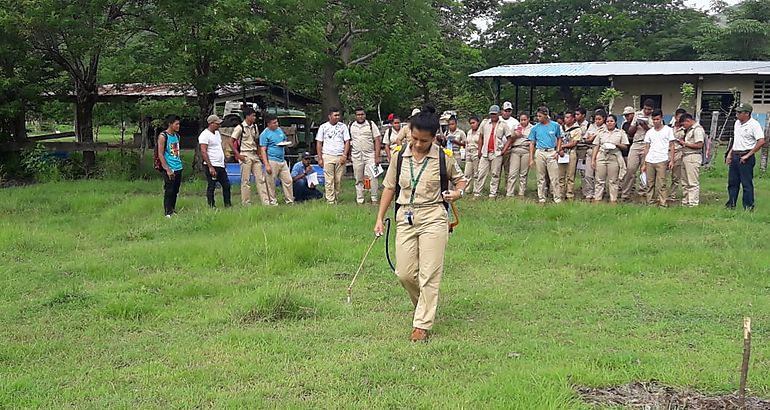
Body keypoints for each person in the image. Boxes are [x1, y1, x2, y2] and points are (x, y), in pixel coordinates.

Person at [374, 107, 467, 343]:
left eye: (423, 141)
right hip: (405, 216)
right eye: (414, 138)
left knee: (429, 273)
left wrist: (457, 194)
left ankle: (422, 325)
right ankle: (423, 306)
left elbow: (461, 180)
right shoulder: (399, 155)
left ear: (434, 137)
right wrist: (379, 218)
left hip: (434, 216)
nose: (417, 144)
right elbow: (389, 187)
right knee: (404, 273)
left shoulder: (443, 156)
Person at [726, 102, 766, 210]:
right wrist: (729, 154)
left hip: (746, 156)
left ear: (747, 113)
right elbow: (736, 140)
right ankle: (731, 204)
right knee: (732, 182)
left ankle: (748, 206)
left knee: (746, 183)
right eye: (737, 112)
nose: (737, 114)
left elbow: (761, 141)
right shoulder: (737, 124)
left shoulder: (754, 125)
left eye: (740, 112)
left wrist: (748, 155)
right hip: (735, 154)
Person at [230, 107, 269, 206]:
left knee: (261, 179)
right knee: (245, 181)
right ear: (247, 116)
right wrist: (238, 155)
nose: (254, 118)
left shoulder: (255, 127)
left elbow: (256, 141)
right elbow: (231, 142)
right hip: (245, 154)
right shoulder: (240, 128)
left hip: (254, 154)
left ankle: (265, 202)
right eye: (253, 116)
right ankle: (246, 203)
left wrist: (260, 153)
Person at [622, 99, 655, 201]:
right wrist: (636, 124)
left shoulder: (655, 117)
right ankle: (626, 193)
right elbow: (630, 132)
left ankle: (643, 193)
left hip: (648, 145)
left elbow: (656, 132)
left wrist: (646, 127)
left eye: (649, 109)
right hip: (636, 143)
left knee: (644, 170)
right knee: (630, 169)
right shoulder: (637, 114)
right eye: (645, 108)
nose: (646, 111)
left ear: (652, 110)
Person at [316, 107, 351, 204]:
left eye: (338, 115)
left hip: (340, 155)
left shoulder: (343, 127)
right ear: (329, 116)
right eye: (335, 115)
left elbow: (347, 141)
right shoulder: (323, 127)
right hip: (327, 155)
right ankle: (330, 200)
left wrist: (345, 155)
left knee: (338, 180)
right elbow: (319, 143)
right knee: (329, 180)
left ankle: (336, 197)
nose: (337, 117)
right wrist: (320, 158)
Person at [474, 105, 510, 198]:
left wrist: (504, 150)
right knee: (481, 172)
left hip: (496, 152)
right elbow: (481, 137)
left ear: (499, 113)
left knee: (495, 174)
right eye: (491, 114)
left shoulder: (503, 124)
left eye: (494, 114)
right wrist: (479, 150)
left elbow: (509, 138)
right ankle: (477, 193)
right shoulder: (485, 123)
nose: (493, 116)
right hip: (485, 152)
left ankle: (493, 194)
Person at [528, 106, 562, 203]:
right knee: (540, 177)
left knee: (554, 177)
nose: (538, 118)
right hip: (540, 151)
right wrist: (531, 158)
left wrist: (557, 151)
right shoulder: (535, 128)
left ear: (546, 116)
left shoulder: (555, 126)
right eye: (537, 116)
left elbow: (559, 138)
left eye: (540, 116)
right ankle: (541, 198)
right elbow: (532, 143)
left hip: (551, 151)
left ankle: (557, 198)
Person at [591, 114, 629, 203]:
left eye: (611, 121)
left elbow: (625, 146)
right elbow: (596, 146)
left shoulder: (620, 133)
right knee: (599, 180)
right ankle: (597, 199)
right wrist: (593, 159)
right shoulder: (600, 132)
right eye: (607, 121)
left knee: (613, 180)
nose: (609, 123)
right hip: (602, 156)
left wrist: (616, 145)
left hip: (614, 156)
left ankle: (613, 200)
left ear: (615, 122)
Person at [640, 110, 674, 207]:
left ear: (662, 118)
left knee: (662, 183)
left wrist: (671, 160)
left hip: (662, 159)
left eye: (657, 119)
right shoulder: (650, 132)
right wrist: (644, 163)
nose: (655, 121)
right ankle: (650, 201)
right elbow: (646, 147)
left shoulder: (668, 130)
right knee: (649, 183)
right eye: (654, 119)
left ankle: (663, 203)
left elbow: (672, 145)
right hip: (650, 160)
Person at [349, 107, 382, 205]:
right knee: (358, 178)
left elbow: (377, 140)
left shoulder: (371, 125)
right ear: (355, 116)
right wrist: (349, 154)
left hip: (370, 155)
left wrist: (377, 156)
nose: (360, 116)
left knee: (373, 177)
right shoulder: (351, 125)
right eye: (358, 115)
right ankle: (360, 199)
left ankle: (374, 199)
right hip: (357, 155)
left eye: (362, 114)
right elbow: (348, 141)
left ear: (365, 115)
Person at [198, 115, 232, 208]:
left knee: (226, 185)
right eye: (217, 124)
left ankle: (228, 204)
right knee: (212, 186)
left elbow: (219, 147)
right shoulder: (204, 135)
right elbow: (204, 151)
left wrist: (223, 159)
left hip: (220, 164)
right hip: (212, 164)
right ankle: (211, 205)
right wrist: (210, 166)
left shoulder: (217, 133)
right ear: (211, 123)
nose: (219, 125)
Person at [260, 115, 294, 205]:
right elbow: (263, 150)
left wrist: (285, 142)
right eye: (274, 123)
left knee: (288, 180)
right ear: (268, 124)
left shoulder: (279, 130)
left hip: (282, 160)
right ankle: (273, 202)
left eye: (277, 122)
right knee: (271, 182)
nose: (276, 124)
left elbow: (284, 138)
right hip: (272, 160)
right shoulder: (265, 134)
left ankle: (290, 201)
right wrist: (266, 164)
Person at [157, 114, 183, 217]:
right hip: (168, 166)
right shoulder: (163, 136)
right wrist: (167, 169)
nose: (178, 126)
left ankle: (172, 209)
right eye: (176, 124)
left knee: (175, 190)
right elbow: (160, 154)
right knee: (169, 189)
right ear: (170, 124)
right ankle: (167, 212)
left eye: (179, 124)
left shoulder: (177, 136)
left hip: (178, 166)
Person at [502, 112, 533, 197]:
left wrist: (531, 157)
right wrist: (515, 134)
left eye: (524, 120)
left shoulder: (532, 128)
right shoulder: (516, 126)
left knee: (523, 173)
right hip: (515, 150)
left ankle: (521, 193)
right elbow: (510, 138)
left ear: (528, 119)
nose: (522, 122)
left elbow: (532, 142)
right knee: (512, 172)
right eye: (521, 120)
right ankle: (509, 192)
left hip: (525, 150)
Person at [679, 114, 705, 207]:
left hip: (693, 156)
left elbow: (699, 145)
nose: (683, 126)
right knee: (685, 181)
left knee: (692, 181)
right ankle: (686, 201)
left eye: (683, 124)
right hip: (686, 156)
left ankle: (693, 203)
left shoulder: (697, 129)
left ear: (688, 121)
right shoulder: (689, 130)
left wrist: (685, 144)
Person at [558, 111, 582, 200]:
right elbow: (556, 139)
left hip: (571, 153)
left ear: (573, 119)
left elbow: (574, 142)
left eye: (568, 117)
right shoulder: (560, 128)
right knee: (560, 175)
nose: (566, 119)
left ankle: (570, 194)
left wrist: (562, 146)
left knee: (570, 175)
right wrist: (559, 149)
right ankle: (560, 194)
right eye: (565, 117)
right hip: (560, 153)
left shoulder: (577, 129)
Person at [498, 101, 519, 195]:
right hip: (497, 148)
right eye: (505, 110)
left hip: (509, 148)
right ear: (502, 110)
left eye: (509, 111)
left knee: (508, 170)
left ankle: (508, 189)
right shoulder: (497, 120)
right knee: (496, 170)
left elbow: (518, 133)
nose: (507, 112)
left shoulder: (515, 122)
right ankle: (495, 189)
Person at [668, 108, 687, 200]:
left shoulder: (685, 129)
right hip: (667, 152)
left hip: (679, 152)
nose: (680, 119)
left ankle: (672, 194)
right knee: (663, 174)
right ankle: (662, 193)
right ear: (675, 117)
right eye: (679, 117)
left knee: (676, 176)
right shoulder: (668, 127)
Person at [464, 115, 481, 193]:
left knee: (476, 173)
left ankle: (476, 190)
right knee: (467, 173)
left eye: (474, 123)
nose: (472, 124)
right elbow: (466, 143)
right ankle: (467, 189)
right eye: (470, 123)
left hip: (476, 152)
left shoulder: (480, 132)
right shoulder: (469, 132)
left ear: (478, 123)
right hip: (469, 153)